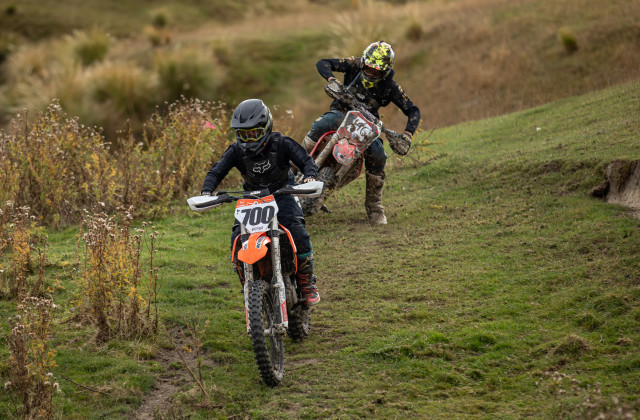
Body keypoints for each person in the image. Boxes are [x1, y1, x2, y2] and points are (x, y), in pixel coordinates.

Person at [200, 99, 320, 306]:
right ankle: (247, 283)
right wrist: (206, 191)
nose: (249, 139)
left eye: (254, 133)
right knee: (237, 240)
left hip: (283, 193)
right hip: (252, 199)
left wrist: (309, 177)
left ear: (266, 127)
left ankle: (306, 282)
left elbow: (306, 161)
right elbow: (216, 171)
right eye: (244, 134)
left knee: (298, 233)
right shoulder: (235, 150)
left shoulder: (282, 143)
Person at [302, 41, 421, 225]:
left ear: (385, 72)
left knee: (379, 155)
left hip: (367, 125)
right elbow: (323, 63)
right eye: (368, 69)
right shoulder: (353, 64)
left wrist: (407, 135)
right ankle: (294, 164)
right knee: (322, 124)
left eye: (377, 72)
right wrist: (332, 80)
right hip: (341, 112)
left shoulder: (390, 86)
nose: (371, 74)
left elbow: (413, 111)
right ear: (364, 62)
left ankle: (374, 206)